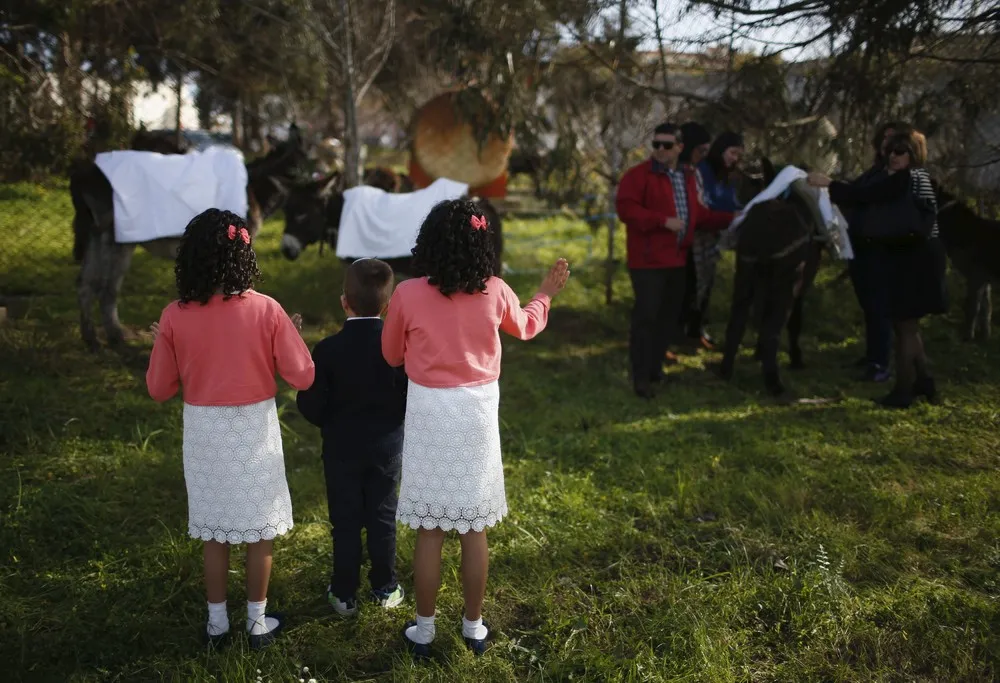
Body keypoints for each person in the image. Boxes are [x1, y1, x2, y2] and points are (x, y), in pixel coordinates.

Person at [381, 199, 570, 658]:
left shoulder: (406, 294)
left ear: (430, 242)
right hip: (476, 418)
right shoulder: (498, 290)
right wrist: (544, 294)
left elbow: (390, 356)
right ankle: (474, 626)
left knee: (430, 529)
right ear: (485, 246)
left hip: (428, 414)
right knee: (473, 528)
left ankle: (423, 630)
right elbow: (525, 327)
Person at [146, 208, 315, 649]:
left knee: (215, 531)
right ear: (244, 255)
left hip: (204, 434)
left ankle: (216, 624)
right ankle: (257, 622)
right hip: (253, 430)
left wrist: (163, 346)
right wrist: (290, 337)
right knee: (260, 531)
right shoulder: (267, 310)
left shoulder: (173, 317)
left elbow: (159, 388)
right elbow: (302, 376)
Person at [295, 258, 408, 617]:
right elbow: (408, 398)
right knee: (382, 515)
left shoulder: (328, 350)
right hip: (387, 447)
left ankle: (344, 592)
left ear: (344, 301)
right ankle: (384, 586)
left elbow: (312, 406)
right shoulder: (399, 350)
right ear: (388, 307)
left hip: (341, 449)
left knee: (344, 519)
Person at [808, 130, 946, 408]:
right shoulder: (907, 178)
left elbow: (868, 195)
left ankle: (904, 391)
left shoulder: (909, 179)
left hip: (915, 260)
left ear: (914, 154)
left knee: (905, 326)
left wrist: (829, 184)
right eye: (890, 150)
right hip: (908, 256)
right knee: (905, 324)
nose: (892, 156)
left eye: (900, 151)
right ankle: (924, 382)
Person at [615, 122, 735, 399]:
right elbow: (626, 209)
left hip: (678, 260)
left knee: (667, 319)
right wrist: (662, 221)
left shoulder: (688, 176)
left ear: (680, 148)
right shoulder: (638, 176)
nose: (659, 150)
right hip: (647, 262)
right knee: (646, 318)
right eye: (656, 144)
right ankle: (641, 378)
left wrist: (733, 218)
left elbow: (699, 214)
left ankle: (656, 369)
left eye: (666, 145)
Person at [844, 121, 914, 383]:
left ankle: (880, 363)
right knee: (869, 305)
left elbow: (864, 195)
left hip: (881, 250)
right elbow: (857, 190)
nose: (888, 145)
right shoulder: (877, 170)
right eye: (885, 139)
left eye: (894, 140)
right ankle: (873, 355)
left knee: (879, 306)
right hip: (862, 246)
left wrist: (832, 185)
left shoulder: (898, 176)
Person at [687, 131, 745, 347]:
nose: (735, 158)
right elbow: (704, 207)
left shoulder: (728, 176)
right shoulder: (702, 171)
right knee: (697, 283)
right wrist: (730, 216)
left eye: (739, 155)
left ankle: (697, 328)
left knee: (707, 283)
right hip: (699, 236)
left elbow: (732, 202)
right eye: (732, 153)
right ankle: (688, 329)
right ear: (721, 150)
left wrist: (740, 213)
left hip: (716, 235)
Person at [677, 122, 713, 349]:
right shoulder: (679, 173)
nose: (703, 156)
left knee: (693, 289)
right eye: (700, 151)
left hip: (694, 241)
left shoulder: (694, 172)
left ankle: (688, 333)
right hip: (676, 244)